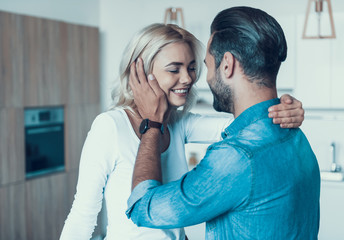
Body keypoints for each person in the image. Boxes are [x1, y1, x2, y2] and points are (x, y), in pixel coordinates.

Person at [60, 23, 305, 240]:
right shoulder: (110, 126)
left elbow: (248, 124)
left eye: (191, 67)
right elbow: (83, 215)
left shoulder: (179, 123)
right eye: (174, 69)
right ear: (142, 75)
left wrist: (283, 109)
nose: (187, 78)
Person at [126, 7, 320, 240]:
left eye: (207, 66)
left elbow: (143, 207)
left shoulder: (236, 157)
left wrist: (152, 125)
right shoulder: (297, 138)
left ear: (227, 64)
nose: (199, 79)